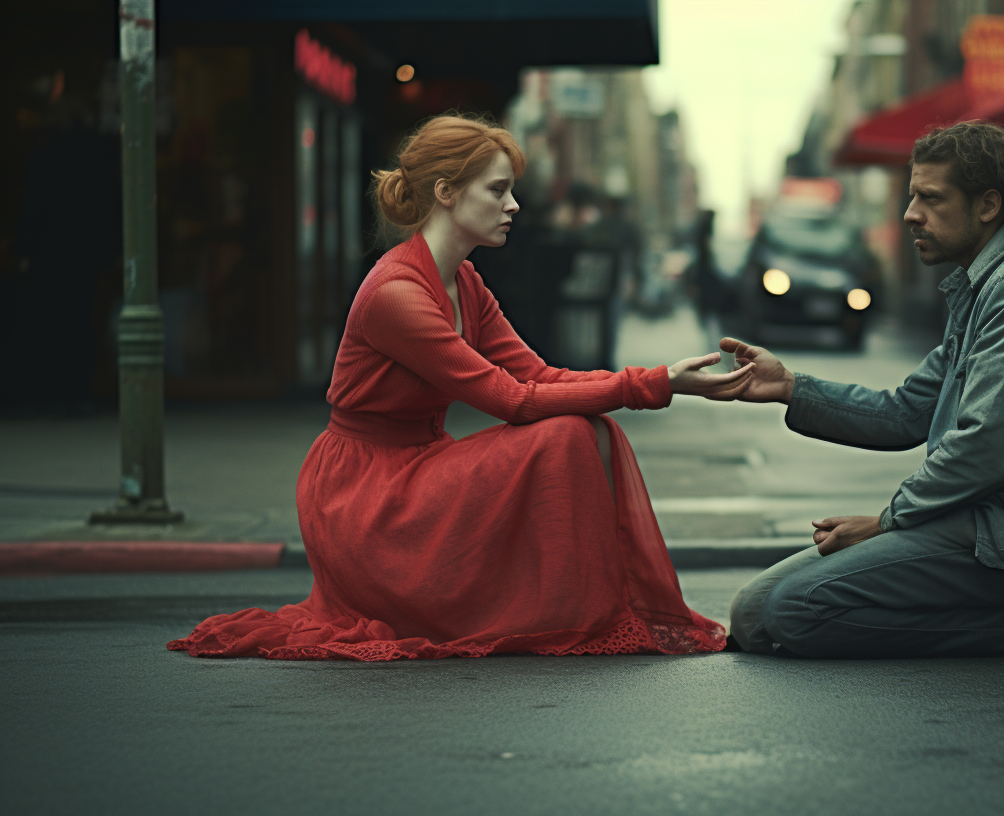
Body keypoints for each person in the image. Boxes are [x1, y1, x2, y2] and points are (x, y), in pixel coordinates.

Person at [168, 114, 754, 660]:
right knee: (563, 435)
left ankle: (588, 610)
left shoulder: (464, 281)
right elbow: (510, 401)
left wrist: (662, 381)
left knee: (585, 427)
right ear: (446, 193)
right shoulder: (397, 295)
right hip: (364, 498)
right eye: (497, 190)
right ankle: (569, 613)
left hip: (418, 469)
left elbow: (538, 375)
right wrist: (651, 386)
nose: (513, 205)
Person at [724, 121, 1004, 658]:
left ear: (987, 206)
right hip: (992, 518)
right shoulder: (981, 289)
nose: (910, 214)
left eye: (930, 198)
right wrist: (791, 387)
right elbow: (906, 412)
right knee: (753, 615)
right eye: (912, 196)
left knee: (795, 611)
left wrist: (887, 523)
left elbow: (984, 446)